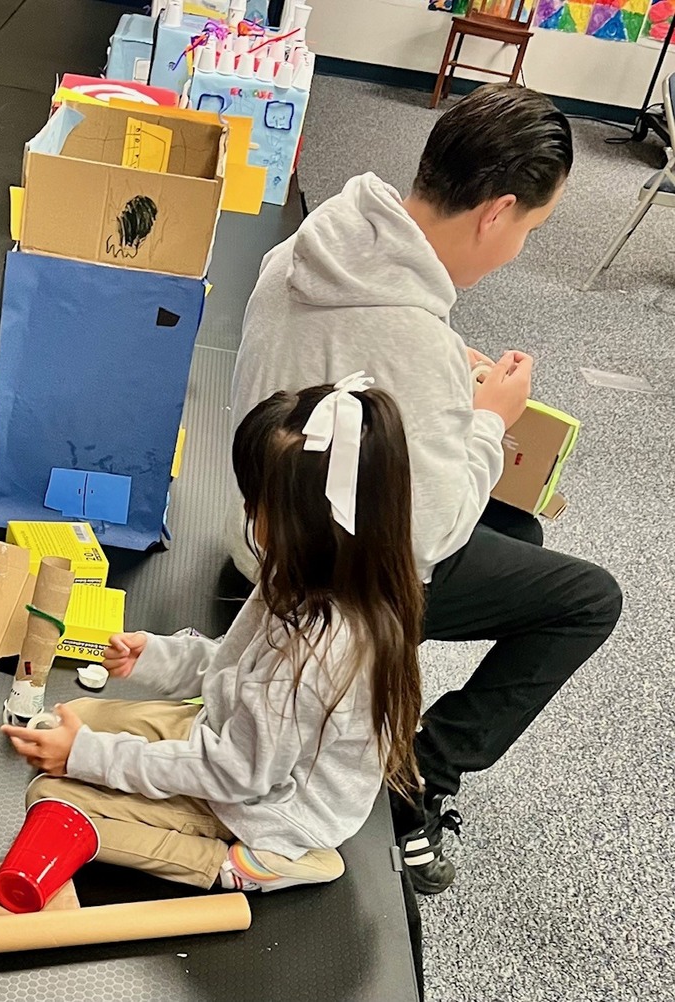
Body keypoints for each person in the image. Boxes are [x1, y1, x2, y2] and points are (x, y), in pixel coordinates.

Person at [228, 82, 623, 895]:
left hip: (266, 520)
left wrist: (447, 378)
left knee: (523, 539)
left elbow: (356, 364)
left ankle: (371, 717)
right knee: (589, 600)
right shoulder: (413, 336)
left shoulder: (320, 245)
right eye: (529, 230)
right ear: (497, 211)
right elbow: (431, 535)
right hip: (321, 578)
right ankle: (413, 776)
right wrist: (484, 419)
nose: (518, 248)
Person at [3, 380, 425, 893]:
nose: (249, 514)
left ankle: (265, 864)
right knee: (74, 720)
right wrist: (158, 655)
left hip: (269, 809)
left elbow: (236, 774)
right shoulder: (305, 575)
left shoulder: (320, 648)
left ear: (308, 524)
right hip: (238, 748)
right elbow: (234, 664)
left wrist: (83, 759)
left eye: (258, 504)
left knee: (54, 793)